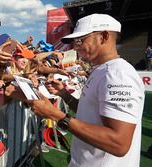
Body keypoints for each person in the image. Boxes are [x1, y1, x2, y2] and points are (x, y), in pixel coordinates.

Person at [27, 14, 145, 167]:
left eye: (80, 40)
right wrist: (64, 95)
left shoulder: (117, 74)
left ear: (104, 36)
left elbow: (119, 143)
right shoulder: (101, 70)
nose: (75, 47)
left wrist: (54, 114)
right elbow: (90, 113)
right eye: (74, 42)